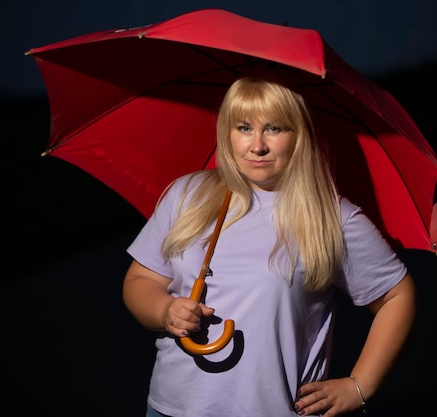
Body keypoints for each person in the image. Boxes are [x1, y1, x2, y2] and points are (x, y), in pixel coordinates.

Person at [123, 76, 416, 417]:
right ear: (226, 132)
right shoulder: (188, 194)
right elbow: (139, 281)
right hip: (170, 409)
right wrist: (163, 310)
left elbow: (398, 297)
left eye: (274, 128)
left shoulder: (330, 217)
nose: (257, 145)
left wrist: (359, 385)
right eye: (244, 127)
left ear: (299, 135)